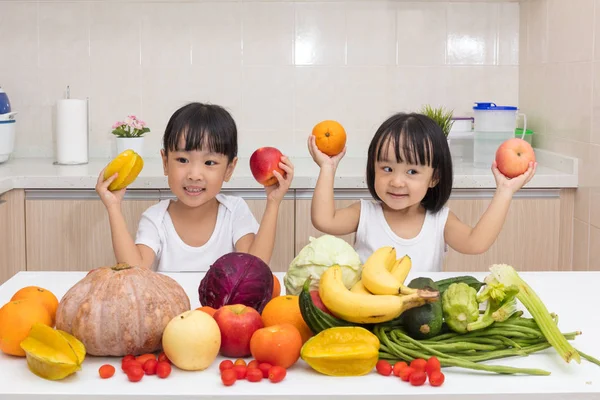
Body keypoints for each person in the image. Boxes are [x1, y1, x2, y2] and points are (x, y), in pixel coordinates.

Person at [308, 112, 536, 272]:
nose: (397, 181)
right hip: (370, 318)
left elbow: (476, 243)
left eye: (412, 171)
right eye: (386, 168)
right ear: (372, 168)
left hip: (422, 324)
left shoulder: (439, 221)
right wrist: (328, 167)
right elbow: (324, 220)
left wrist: (505, 192)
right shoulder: (364, 213)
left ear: (434, 178)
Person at [96, 102, 294, 272]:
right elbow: (135, 273)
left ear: (229, 169)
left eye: (209, 163)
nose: (194, 175)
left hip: (221, 315)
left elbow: (255, 268)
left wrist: (273, 203)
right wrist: (113, 208)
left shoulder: (234, 211)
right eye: (182, 159)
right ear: (165, 162)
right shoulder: (155, 218)